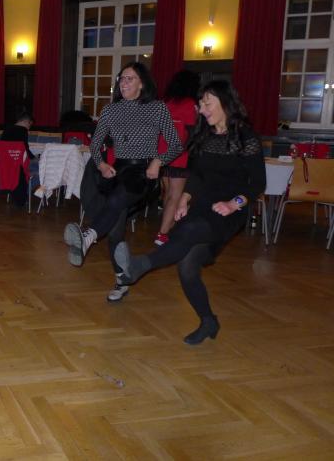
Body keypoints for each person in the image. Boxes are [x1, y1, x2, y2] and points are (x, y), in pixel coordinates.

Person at [113, 80, 265, 345]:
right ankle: (208, 322)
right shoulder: (204, 136)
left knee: (192, 231)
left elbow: (258, 184)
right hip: (203, 204)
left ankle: (139, 266)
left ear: (225, 103)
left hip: (230, 211)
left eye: (207, 103)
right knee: (187, 266)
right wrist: (184, 198)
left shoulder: (246, 138)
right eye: (201, 104)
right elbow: (196, 175)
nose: (202, 110)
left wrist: (233, 204)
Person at [63, 62, 182, 303]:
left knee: (118, 198)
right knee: (115, 230)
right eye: (121, 78)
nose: (123, 83)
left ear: (142, 84)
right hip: (119, 170)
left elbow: (176, 145)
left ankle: (88, 236)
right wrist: (101, 165)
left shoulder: (157, 108)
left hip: (144, 172)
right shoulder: (110, 110)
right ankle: (122, 280)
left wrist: (158, 161)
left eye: (130, 78)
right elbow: (95, 145)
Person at [154, 70, 199, 246]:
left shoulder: (165, 102)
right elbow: (192, 133)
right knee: (175, 195)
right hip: (179, 155)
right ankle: (163, 233)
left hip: (162, 155)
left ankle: (166, 229)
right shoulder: (189, 104)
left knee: (168, 194)